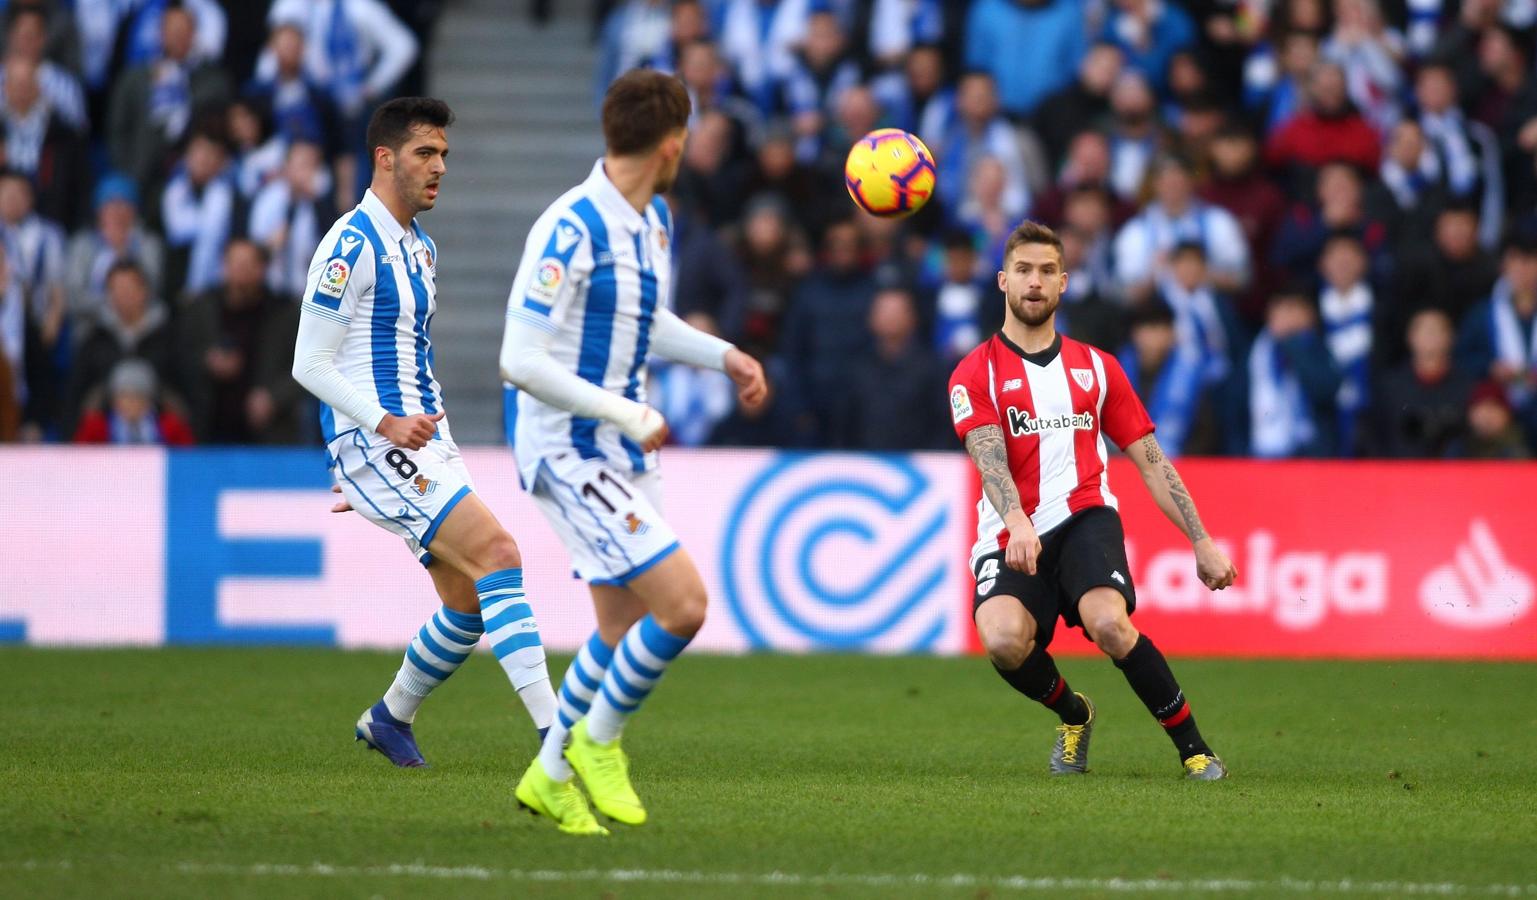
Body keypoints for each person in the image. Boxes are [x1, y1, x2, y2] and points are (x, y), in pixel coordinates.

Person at [498, 70, 767, 835]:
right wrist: (625, 408)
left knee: (617, 628)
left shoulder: (653, 220)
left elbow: (640, 324)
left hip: (618, 443)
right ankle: (597, 743)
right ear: (673, 145)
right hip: (568, 449)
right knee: (681, 605)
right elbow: (519, 358)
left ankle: (549, 776)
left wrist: (724, 357)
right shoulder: (569, 227)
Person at [289, 98, 559, 773]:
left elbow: (409, 356)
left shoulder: (421, 246)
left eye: (443, 155)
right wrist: (369, 446)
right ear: (384, 158)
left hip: (417, 445)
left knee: (467, 603)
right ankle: (558, 736)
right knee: (498, 552)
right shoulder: (350, 244)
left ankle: (390, 717)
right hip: (380, 442)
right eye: (424, 154)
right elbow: (308, 362)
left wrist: (418, 455)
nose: (439, 167)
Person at [947, 220, 1237, 781]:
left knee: (1109, 624)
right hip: (1012, 532)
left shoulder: (1098, 368)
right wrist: (1017, 521)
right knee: (1005, 640)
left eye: (1047, 272)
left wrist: (1200, 541)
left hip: (1085, 518)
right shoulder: (973, 372)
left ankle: (1196, 750)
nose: (1035, 282)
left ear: (1064, 284)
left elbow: (1151, 462)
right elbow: (989, 459)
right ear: (1003, 281)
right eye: (1025, 271)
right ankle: (1074, 713)